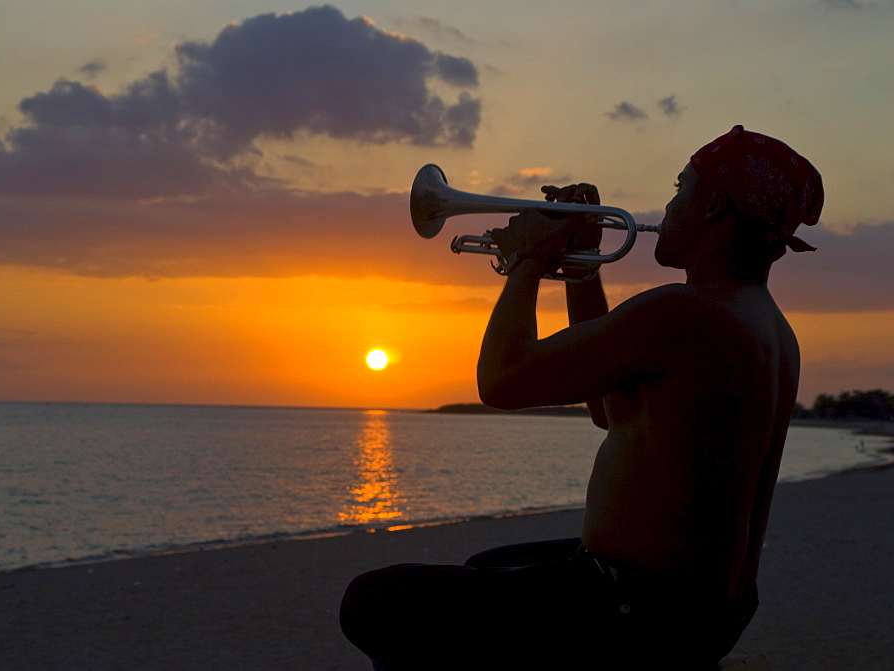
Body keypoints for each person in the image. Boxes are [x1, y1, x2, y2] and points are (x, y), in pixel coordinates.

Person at [340, 126, 824, 669]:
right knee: (488, 563)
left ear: (712, 206)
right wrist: (580, 267)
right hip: (709, 607)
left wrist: (527, 261)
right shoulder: (766, 325)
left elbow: (502, 381)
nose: (666, 205)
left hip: (642, 613)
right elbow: (607, 408)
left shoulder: (684, 312)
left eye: (679, 187)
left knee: (373, 601)